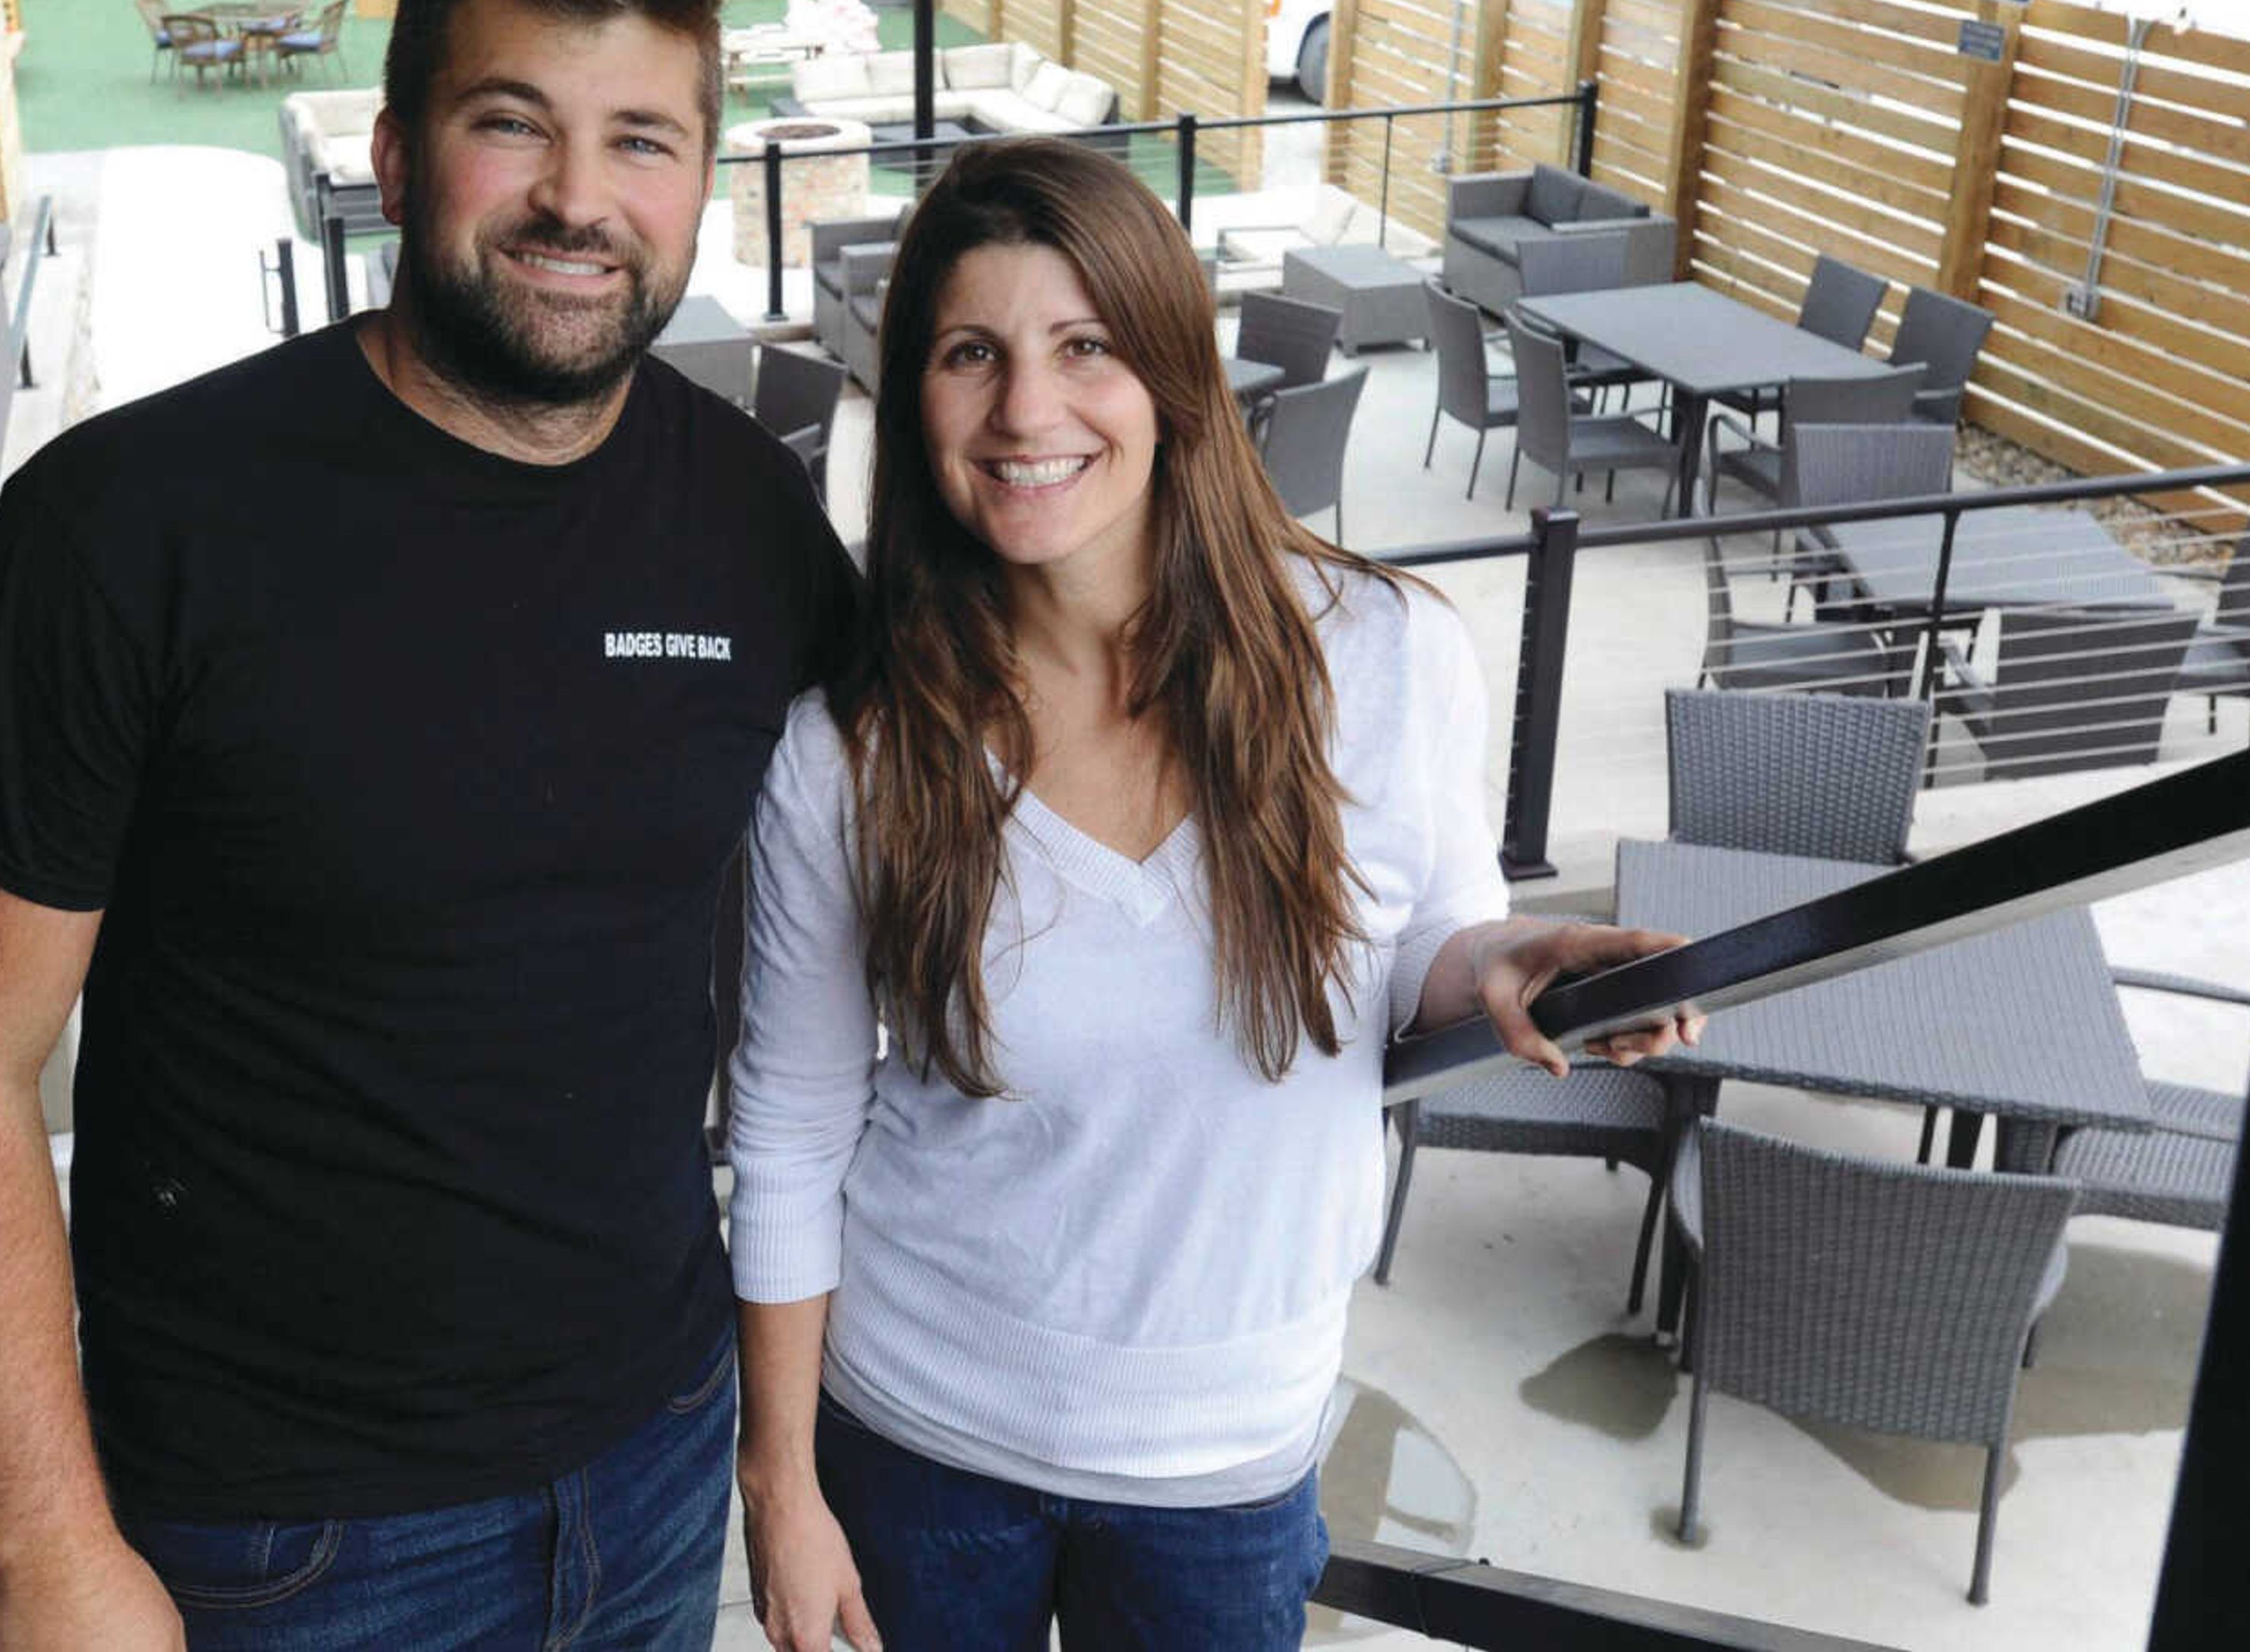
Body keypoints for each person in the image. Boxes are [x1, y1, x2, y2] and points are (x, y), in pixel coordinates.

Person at [0, 0, 854, 1649]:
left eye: (642, 140)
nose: (576, 197)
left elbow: (980, 800)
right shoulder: (132, 525)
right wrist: (53, 1547)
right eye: (511, 123)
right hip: (280, 1532)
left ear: (704, 184)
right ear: (392, 155)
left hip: (654, 1452)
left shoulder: (746, 519)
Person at [725, 137, 1695, 1652]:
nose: (1026, 411)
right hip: (918, 1440)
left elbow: (1436, 932)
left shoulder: (1379, 657)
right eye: (970, 353)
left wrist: (1505, 958)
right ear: (910, 399)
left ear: (1172, 374)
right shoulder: (852, 748)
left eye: (1085, 347)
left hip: (1226, 1459)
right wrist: (779, 1485)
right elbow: (787, 1132)